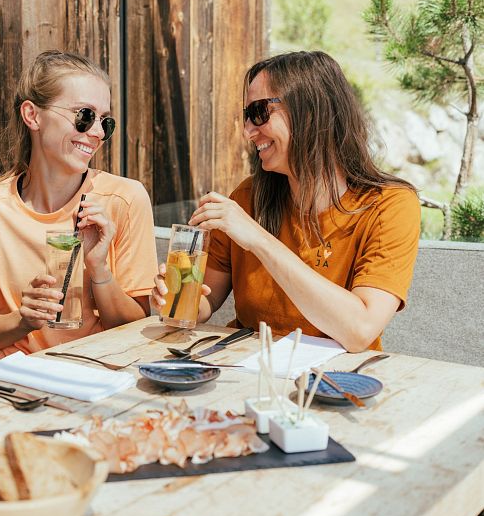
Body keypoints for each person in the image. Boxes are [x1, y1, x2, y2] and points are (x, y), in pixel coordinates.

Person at [152, 50, 420, 352]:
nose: (247, 131)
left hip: (334, 387)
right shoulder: (249, 196)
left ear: (310, 111)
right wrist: (175, 300)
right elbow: (205, 300)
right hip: (246, 371)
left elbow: (360, 330)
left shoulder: (390, 205)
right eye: (246, 116)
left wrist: (258, 239)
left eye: (259, 112)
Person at [0, 50, 157, 360]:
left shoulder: (124, 199)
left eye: (106, 121)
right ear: (32, 115)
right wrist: (22, 319)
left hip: (94, 375)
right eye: (84, 116)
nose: (98, 133)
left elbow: (136, 330)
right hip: (11, 382)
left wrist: (99, 268)